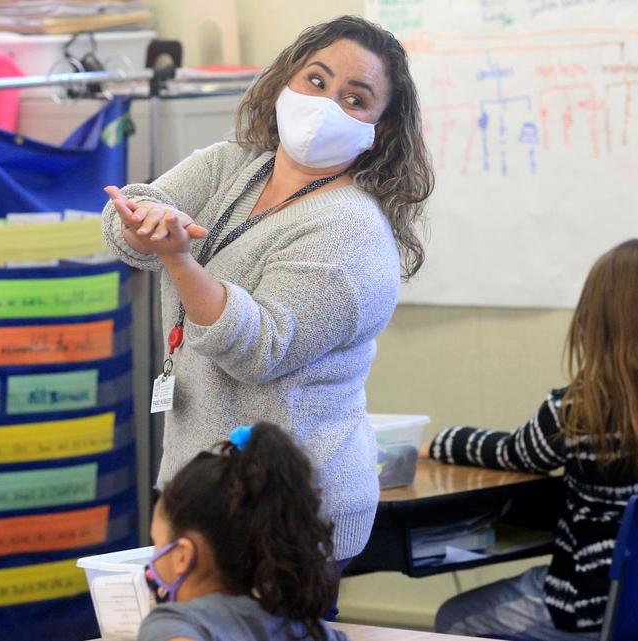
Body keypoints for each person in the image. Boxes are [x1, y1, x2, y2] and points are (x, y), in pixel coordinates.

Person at [100, 14, 433, 585]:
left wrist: (178, 257)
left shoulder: (351, 231)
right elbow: (126, 218)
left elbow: (258, 347)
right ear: (285, 80)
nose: (327, 104)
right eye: (317, 80)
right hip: (199, 490)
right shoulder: (235, 165)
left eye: (355, 98)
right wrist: (142, 223)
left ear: (381, 127)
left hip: (288, 510)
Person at [429, 239, 638, 640]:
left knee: (453, 620)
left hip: (594, 605)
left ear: (597, 319)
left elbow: (514, 453)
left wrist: (441, 442)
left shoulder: (578, 410)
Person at [137, 422, 349, 641]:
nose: (154, 559)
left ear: (183, 555)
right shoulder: (310, 629)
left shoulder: (173, 624)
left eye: (158, 544)